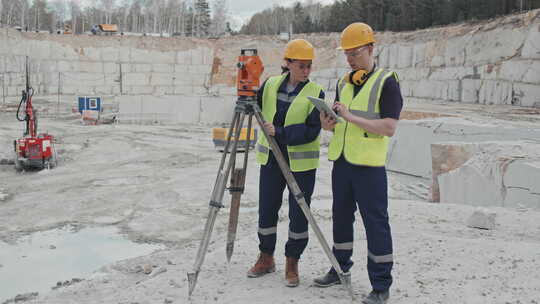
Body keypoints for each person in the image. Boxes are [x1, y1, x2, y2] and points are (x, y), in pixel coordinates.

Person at [313, 23, 403, 304]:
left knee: (375, 223)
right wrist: (327, 123)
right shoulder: (344, 82)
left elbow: (389, 127)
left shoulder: (387, 82)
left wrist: (350, 117)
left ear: (372, 48)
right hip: (342, 162)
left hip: (369, 166)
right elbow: (339, 123)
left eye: (356, 53)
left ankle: (381, 285)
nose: (351, 59)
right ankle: (340, 269)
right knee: (340, 217)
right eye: (347, 54)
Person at [247, 39, 325, 288]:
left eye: (309, 66)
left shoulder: (316, 92)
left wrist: (278, 131)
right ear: (288, 63)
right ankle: (266, 257)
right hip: (271, 159)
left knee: (298, 215)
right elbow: (255, 109)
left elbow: (311, 131)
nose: (306, 71)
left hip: (300, 164)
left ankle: (292, 261)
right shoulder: (269, 84)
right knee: (267, 209)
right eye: (301, 66)